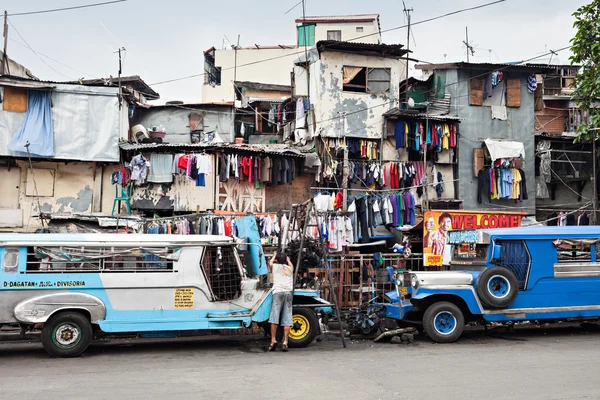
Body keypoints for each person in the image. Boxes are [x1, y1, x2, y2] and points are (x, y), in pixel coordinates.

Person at [267, 251, 294, 352]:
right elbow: (291, 265)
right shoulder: (289, 268)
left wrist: (274, 255)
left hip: (278, 292)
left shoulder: (275, 267)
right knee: (287, 318)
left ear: (277, 261)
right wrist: (288, 261)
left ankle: (273, 340)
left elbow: (270, 263)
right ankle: (285, 342)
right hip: (288, 293)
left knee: (274, 316)